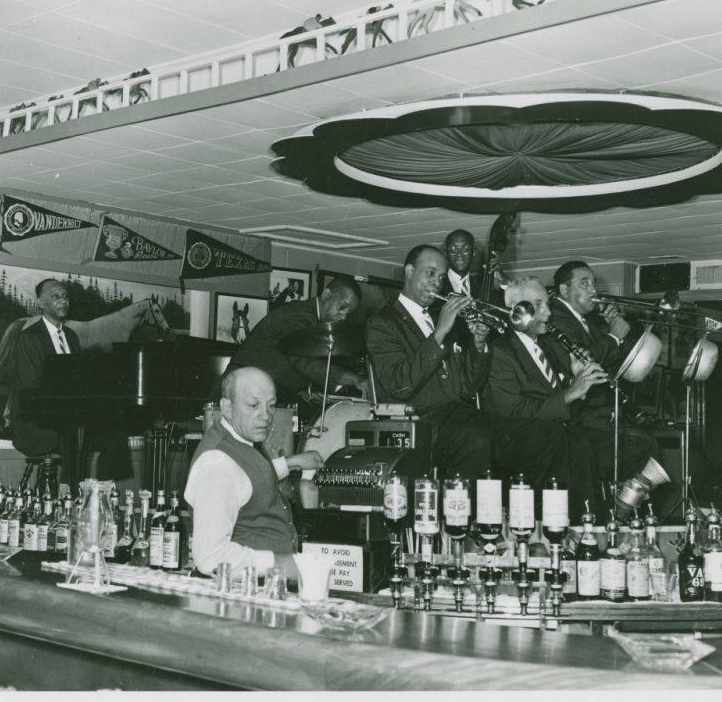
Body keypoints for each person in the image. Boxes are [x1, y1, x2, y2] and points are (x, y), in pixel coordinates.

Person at [486, 277, 650, 516]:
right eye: (539, 304)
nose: (548, 312)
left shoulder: (547, 347)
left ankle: (617, 511)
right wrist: (571, 393)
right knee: (579, 447)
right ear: (516, 310)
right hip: (522, 440)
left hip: (559, 435)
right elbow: (514, 411)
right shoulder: (500, 350)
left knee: (637, 444)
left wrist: (577, 380)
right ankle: (588, 520)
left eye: (547, 304)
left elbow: (566, 406)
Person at [365, 245, 497, 480]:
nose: (438, 282)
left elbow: (466, 389)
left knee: (531, 433)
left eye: (442, 277)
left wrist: (478, 343)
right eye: (431, 273)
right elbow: (400, 383)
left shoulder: (441, 321)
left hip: (457, 416)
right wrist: (438, 334)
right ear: (409, 271)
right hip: (418, 421)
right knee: (477, 437)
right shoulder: (383, 323)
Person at [0, 278, 132, 481]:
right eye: (55, 296)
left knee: (116, 436)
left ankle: (102, 492)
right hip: (35, 424)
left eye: (65, 296)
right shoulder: (29, 338)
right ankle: (70, 494)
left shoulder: (71, 337)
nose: (63, 301)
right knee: (74, 435)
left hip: (69, 420)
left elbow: (78, 383)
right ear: (40, 303)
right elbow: (31, 388)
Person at [185, 367, 323, 579]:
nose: (266, 416)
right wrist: (282, 565)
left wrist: (291, 463)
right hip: (245, 590)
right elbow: (211, 558)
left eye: (271, 405)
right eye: (253, 405)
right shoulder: (217, 464)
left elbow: (247, 480)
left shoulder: (241, 439)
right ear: (227, 407)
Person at [549, 260, 661, 471]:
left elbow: (613, 360)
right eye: (584, 283)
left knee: (646, 447)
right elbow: (582, 358)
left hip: (601, 413)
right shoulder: (556, 318)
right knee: (643, 447)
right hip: (584, 415)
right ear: (564, 290)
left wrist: (616, 331)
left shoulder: (586, 321)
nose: (593, 290)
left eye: (593, 283)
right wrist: (613, 336)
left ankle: (630, 492)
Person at [224, 276, 367, 405]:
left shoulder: (310, 316)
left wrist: (303, 391)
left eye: (349, 312)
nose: (344, 316)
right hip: (240, 389)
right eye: (342, 307)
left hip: (258, 386)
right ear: (326, 295)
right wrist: (354, 379)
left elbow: (281, 362)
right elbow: (303, 360)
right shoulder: (298, 315)